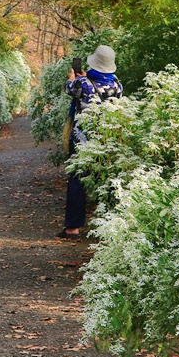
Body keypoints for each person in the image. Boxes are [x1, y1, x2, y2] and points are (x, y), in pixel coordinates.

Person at [59, 45, 122, 238]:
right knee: (106, 180)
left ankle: (73, 227)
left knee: (77, 180)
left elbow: (69, 89)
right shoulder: (117, 85)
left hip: (82, 139)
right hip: (106, 138)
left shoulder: (82, 83)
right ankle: (109, 225)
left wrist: (73, 78)